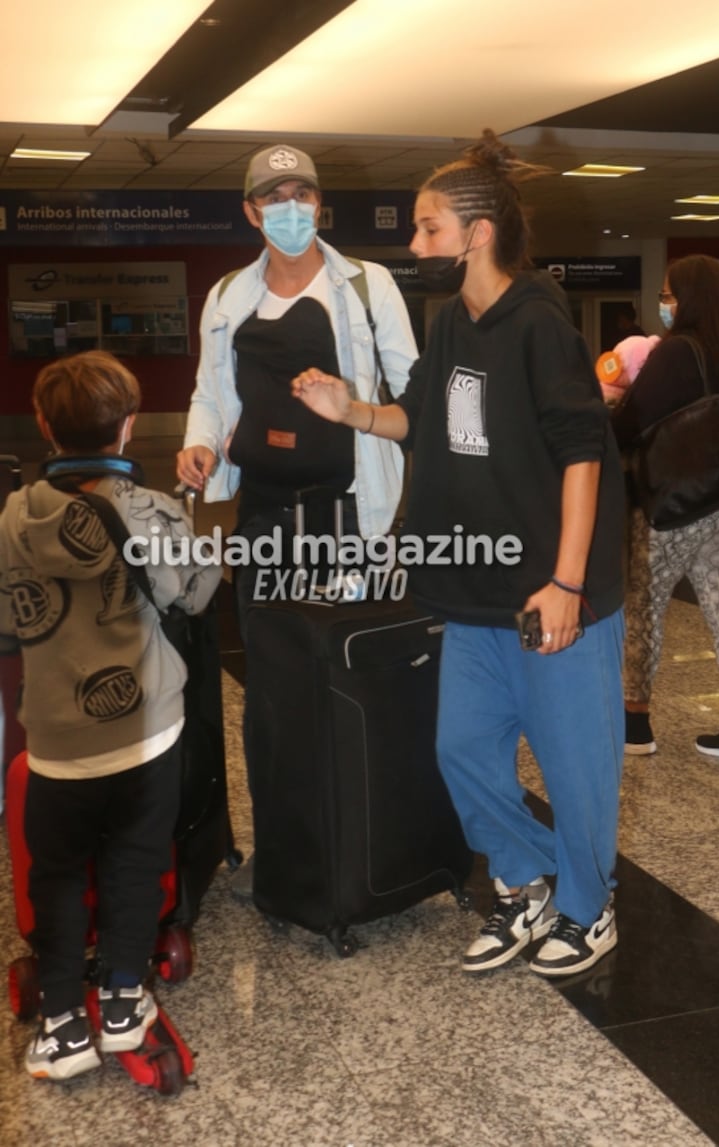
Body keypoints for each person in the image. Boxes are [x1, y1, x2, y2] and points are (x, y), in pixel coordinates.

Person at [291, 129, 626, 978]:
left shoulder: (538, 323)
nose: (415, 245)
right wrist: (349, 410)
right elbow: (419, 420)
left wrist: (566, 582)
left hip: (549, 596)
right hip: (475, 595)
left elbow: (583, 454)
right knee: (461, 752)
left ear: (477, 234)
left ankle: (588, 906)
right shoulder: (451, 326)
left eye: (428, 228)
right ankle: (523, 880)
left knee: (576, 768)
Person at [176, 143, 418, 897]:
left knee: (346, 677)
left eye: (303, 194)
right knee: (274, 687)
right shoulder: (227, 296)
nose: (290, 208)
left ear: (320, 205)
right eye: (274, 197)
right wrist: (198, 443)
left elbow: (414, 403)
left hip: (351, 514)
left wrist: (353, 408)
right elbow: (213, 394)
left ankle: (359, 844)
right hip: (267, 517)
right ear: (251, 212)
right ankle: (287, 849)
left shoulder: (369, 288)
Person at [0, 350, 221, 1081]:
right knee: (134, 861)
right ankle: (126, 1003)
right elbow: (191, 594)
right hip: (145, 733)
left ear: (43, 425)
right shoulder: (149, 510)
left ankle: (64, 1023)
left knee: (57, 874)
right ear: (128, 427)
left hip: (58, 739)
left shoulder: (12, 519)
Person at [612, 254, 719, 765]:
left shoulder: (676, 352)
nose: (664, 303)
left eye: (668, 294)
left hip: (676, 501)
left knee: (644, 605)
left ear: (688, 299)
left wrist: (611, 402)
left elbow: (633, 423)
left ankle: (636, 723)